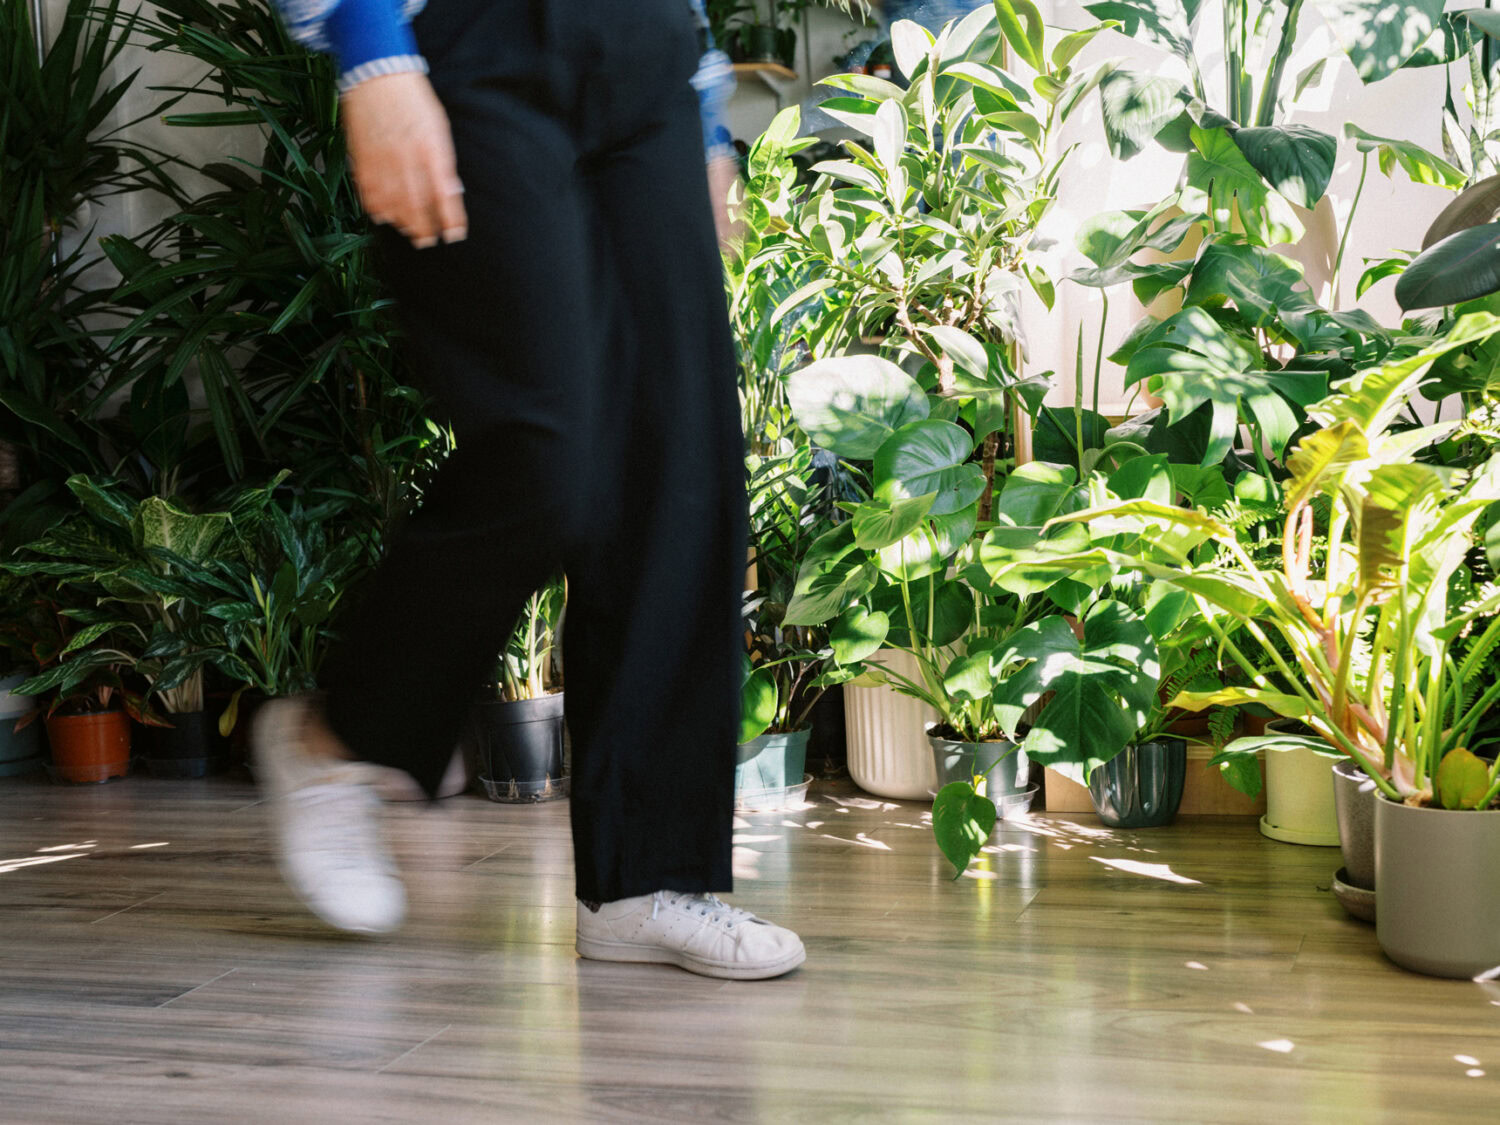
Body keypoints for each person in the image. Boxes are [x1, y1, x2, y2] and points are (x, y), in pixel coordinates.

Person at [256, 0, 805, 981]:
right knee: (547, 452)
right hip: (471, 40)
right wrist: (369, 47)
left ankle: (642, 884)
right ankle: (336, 738)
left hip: (643, 56)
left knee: (675, 463)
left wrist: (703, 103)